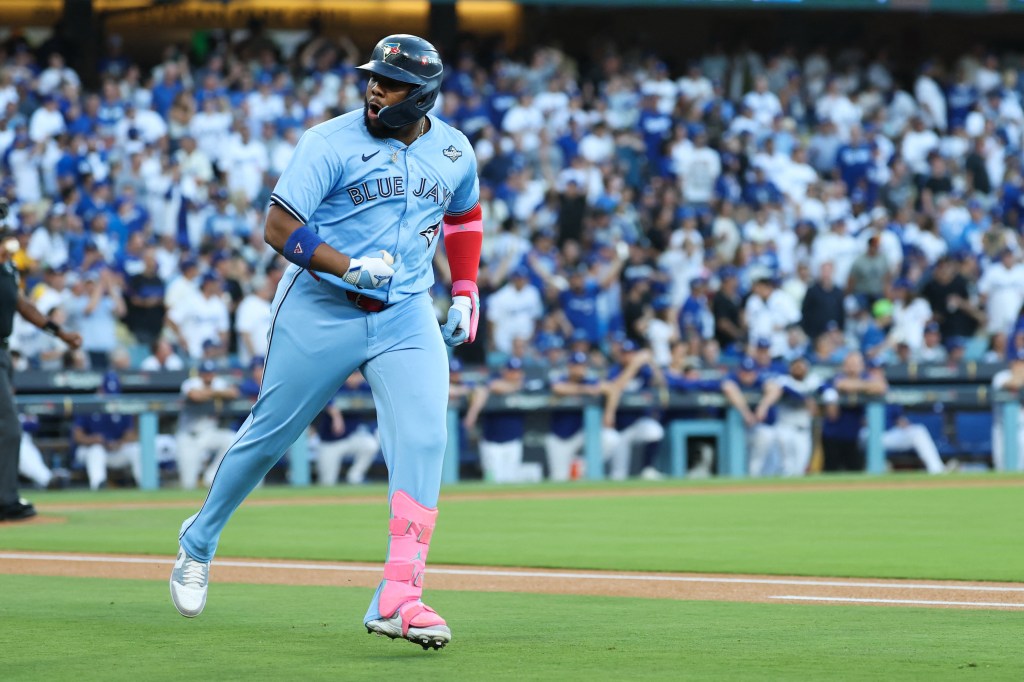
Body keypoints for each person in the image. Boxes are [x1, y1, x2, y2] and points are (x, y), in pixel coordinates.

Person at [170, 35, 481, 652]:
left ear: (420, 94)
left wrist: (466, 289)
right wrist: (346, 266)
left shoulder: (452, 147)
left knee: (424, 438)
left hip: (405, 313)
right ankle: (197, 542)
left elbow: (464, 216)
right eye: (372, 78)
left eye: (388, 82)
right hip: (320, 306)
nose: (373, 89)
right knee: (271, 437)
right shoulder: (328, 141)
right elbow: (278, 225)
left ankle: (400, 597)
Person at [0, 211, 82, 519]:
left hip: (4, 354)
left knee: (6, 426)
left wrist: (59, 333)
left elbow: (23, 306)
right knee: (8, 428)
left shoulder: (7, 268)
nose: (10, 246)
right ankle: (5, 500)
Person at [544, 351, 621, 482]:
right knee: (558, 479)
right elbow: (557, 388)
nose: (580, 369)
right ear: (569, 366)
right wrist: (584, 389)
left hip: (581, 434)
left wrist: (609, 414)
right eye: (577, 365)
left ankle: (580, 466)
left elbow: (613, 389)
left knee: (610, 438)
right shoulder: (561, 378)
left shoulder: (589, 380)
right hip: (560, 436)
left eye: (583, 365)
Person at [174, 360, 240, 490]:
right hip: (189, 437)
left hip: (209, 433)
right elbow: (195, 396)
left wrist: (209, 393)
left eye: (210, 373)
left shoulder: (218, 382)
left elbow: (234, 392)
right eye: (205, 373)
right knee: (188, 484)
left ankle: (210, 477)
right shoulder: (191, 383)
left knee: (232, 439)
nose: (208, 376)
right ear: (200, 374)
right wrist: (217, 394)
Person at [71, 371, 142, 490]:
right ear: (101, 390)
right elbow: (77, 436)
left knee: (136, 449)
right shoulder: (89, 404)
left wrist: (120, 442)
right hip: (89, 450)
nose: (111, 397)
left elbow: (131, 434)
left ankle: (145, 485)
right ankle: (98, 485)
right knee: (96, 450)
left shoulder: (122, 404)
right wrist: (94, 439)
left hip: (115, 450)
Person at [315, 370, 380, 486]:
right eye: (352, 375)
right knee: (327, 482)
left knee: (370, 445)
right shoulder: (336, 386)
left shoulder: (364, 388)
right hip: (330, 442)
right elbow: (323, 398)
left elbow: (380, 399)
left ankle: (355, 476)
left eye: (358, 375)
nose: (355, 378)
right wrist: (336, 415)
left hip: (350, 438)